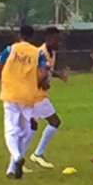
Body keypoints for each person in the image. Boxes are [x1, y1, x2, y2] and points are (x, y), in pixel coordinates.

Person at [0, 25, 49, 179]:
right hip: (28, 96)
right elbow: (44, 71)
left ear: (20, 35)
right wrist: (35, 82)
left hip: (10, 93)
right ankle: (12, 168)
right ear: (32, 37)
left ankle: (17, 157)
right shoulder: (38, 53)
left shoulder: (10, 49)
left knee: (11, 130)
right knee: (28, 129)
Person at [28, 26, 70, 168]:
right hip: (37, 95)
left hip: (38, 94)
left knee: (31, 126)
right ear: (48, 38)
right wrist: (43, 83)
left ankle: (18, 159)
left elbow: (48, 69)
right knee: (54, 122)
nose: (59, 43)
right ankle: (36, 154)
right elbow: (33, 74)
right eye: (57, 40)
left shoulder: (51, 53)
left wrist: (59, 76)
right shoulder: (41, 52)